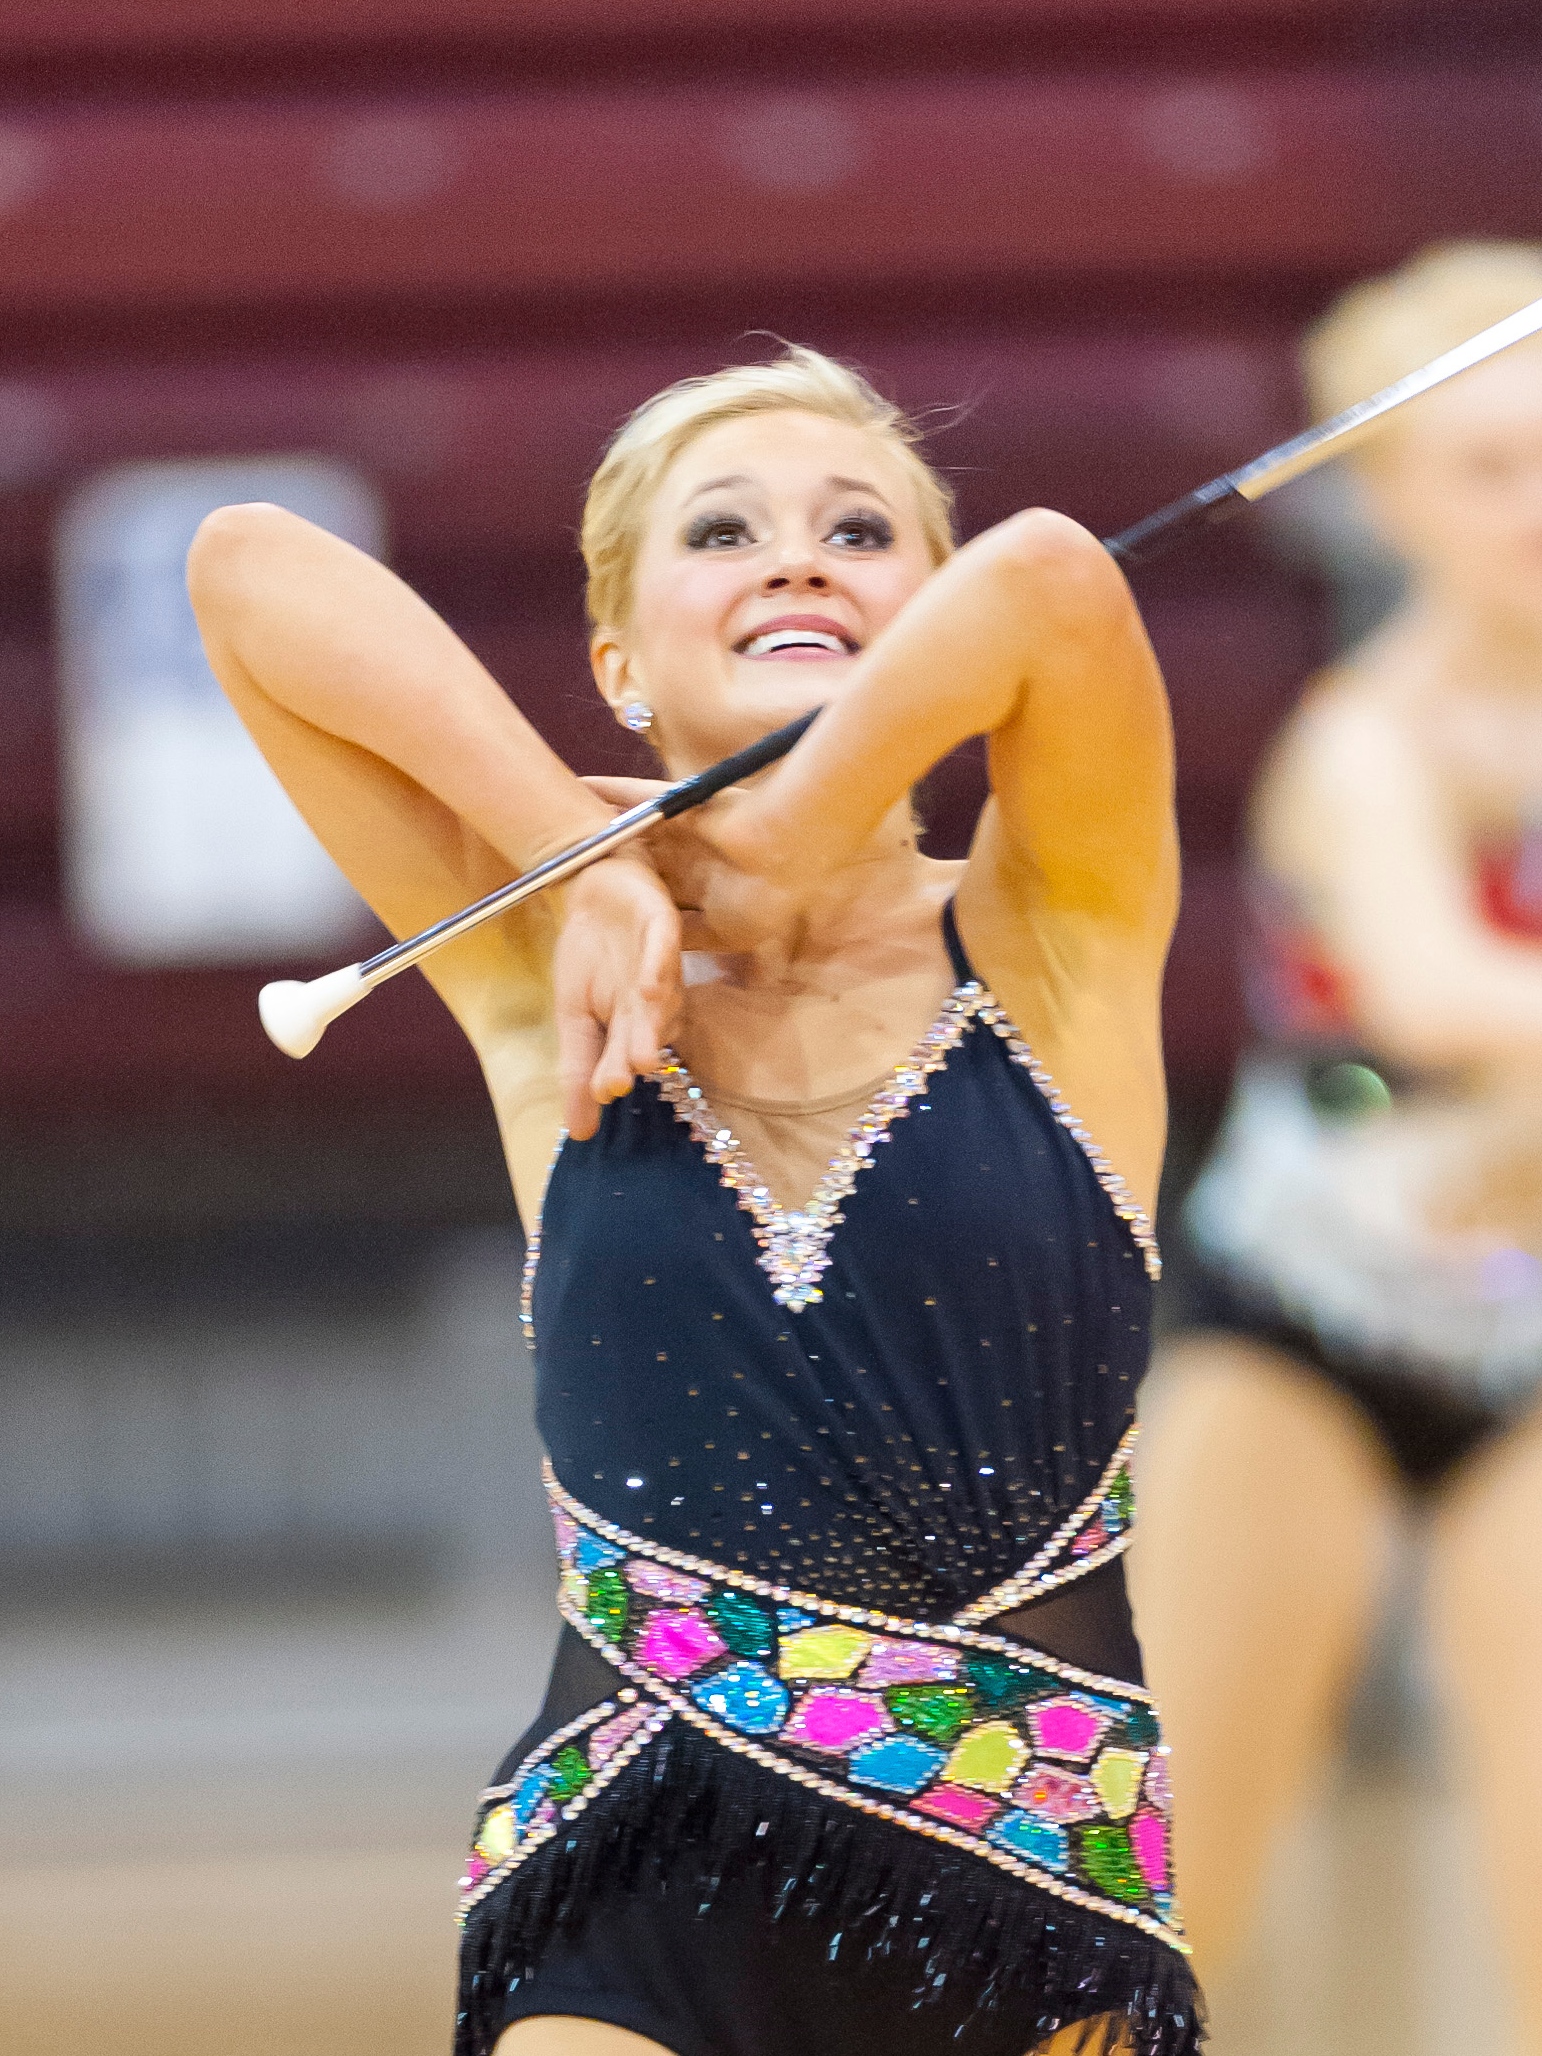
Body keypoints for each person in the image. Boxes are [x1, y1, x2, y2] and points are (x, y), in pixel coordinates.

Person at [188, 345, 1196, 2056]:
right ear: (620, 664)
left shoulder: (1056, 939)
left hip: (1027, 1868)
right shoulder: (536, 977)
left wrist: (803, 828)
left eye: (859, 531)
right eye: (721, 532)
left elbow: (1047, 576)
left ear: (933, 638)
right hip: (626, 1862)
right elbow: (245, 568)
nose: (796, 558)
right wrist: (568, 862)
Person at [1134, 243, 1542, 2042]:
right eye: (1483, 466)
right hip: (1303, 1324)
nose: (1536, 506)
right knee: (1160, 1904)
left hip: (1528, 1342)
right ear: (1382, 492)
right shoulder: (1355, 743)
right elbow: (1435, 993)